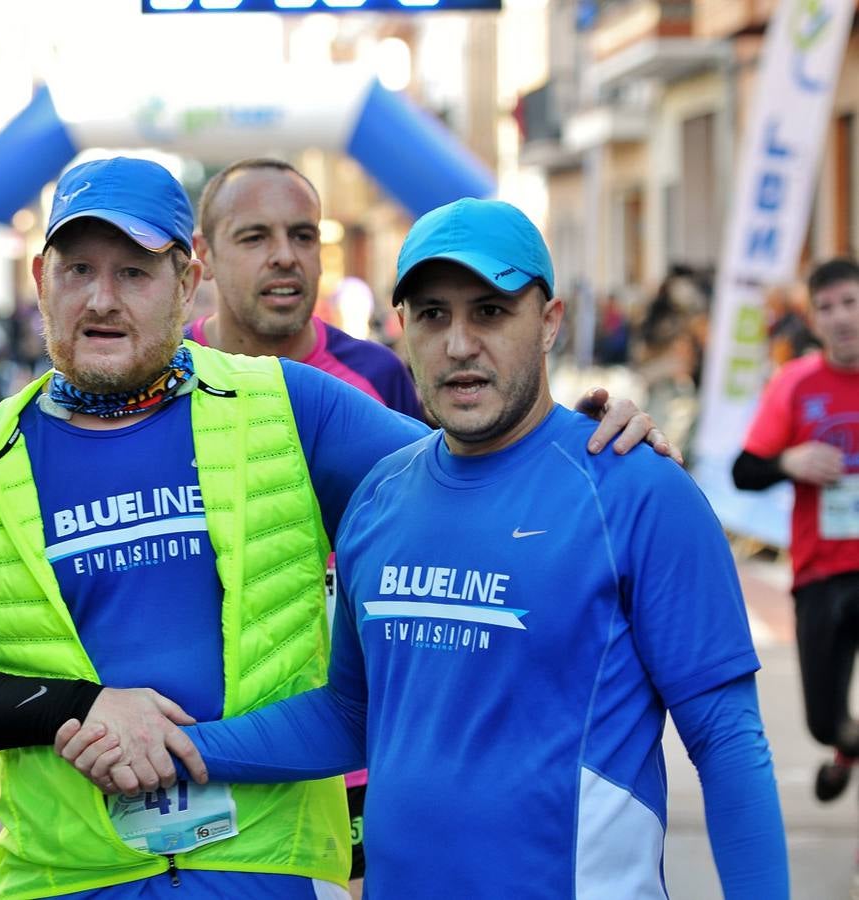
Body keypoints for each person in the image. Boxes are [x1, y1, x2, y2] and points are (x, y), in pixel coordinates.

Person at [0, 159, 669, 899]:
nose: (102, 299)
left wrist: (589, 444)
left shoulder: (285, 405)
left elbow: (475, 476)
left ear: (185, 282)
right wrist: (79, 704)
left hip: (268, 867)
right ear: (40, 280)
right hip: (66, 878)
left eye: (133, 272)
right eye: (78, 270)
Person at [62, 198, 789, 897]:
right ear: (401, 325)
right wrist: (178, 748)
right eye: (434, 315)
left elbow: (727, 743)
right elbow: (352, 715)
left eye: (491, 312)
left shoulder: (634, 490)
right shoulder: (382, 496)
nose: (460, 344)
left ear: (549, 322)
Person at [734, 258, 859, 804]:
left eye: (851, 303)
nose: (840, 318)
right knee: (822, 723)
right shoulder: (796, 383)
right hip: (820, 574)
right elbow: (745, 470)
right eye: (826, 308)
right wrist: (790, 461)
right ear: (812, 319)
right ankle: (845, 744)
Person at [187, 158, 422, 419]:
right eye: (254, 238)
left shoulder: (378, 374)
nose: (286, 257)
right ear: (205, 254)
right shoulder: (164, 375)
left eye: (303, 236)